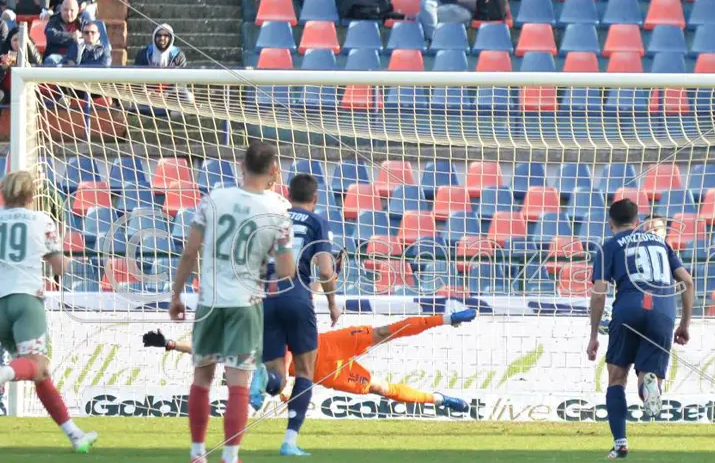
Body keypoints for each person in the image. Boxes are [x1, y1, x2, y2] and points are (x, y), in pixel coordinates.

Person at [167, 141, 297, 463]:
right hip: (245, 302)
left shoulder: (214, 198)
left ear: (242, 165)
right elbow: (286, 271)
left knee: (202, 377)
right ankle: (230, 456)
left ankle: (197, 453)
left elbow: (189, 251)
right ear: (273, 170)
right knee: (238, 383)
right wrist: (272, 253)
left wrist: (176, 294)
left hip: (209, 301)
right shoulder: (279, 211)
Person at [0, 172, 99, 453]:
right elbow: (60, 267)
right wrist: (66, 256)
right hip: (27, 302)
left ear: (2, 193)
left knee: (39, 374)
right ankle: (3, 373)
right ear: (31, 195)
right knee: (36, 364)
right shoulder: (42, 221)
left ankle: (75, 436)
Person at [142, 307, 478, 417]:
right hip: (328, 371)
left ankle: (448, 318)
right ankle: (440, 399)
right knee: (381, 388)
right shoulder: (255, 371)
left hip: (328, 343)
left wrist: (171, 343)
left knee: (385, 331)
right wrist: (285, 389)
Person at [587, 198, 694, 459]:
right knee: (648, 377)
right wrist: (684, 324)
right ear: (637, 222)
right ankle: (650, 386)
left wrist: (592, 335)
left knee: (616, 377)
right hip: (662, 311)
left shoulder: (608, 247)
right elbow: (688, 282)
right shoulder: (660, 242)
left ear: (610, 222)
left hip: (629, 308)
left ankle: (620, 442)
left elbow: (599, 295)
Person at [245, 173, 340, 457]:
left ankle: (262, 376)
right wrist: (333, 302)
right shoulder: (316, 221)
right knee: (304, 372)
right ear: (315, 198)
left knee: (278, 381)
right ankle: (289, 442)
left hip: (266, 296)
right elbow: (324, 270)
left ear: (288, 193)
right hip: (296, 296)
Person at [0, 26, 41, 144]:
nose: (18, 43)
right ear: (10, 40)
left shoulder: (30, 49)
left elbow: (38, 62)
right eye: (15, 40)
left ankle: (31, 136)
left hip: (24, 88)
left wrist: (28, 44)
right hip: (4, 87)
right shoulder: (3, 48)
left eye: (21, 40)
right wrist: (0, 58)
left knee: (29, 98)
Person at [43, 0, 85, 66]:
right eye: (66, 10)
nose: (68, 13)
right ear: (61, 10)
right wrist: (72, 36)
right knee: (51, 60)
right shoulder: (54, 20)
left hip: (77, 57)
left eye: (72, 10)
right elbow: (51, 34)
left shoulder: (82, 23)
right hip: (57, 56)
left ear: (78, 10)